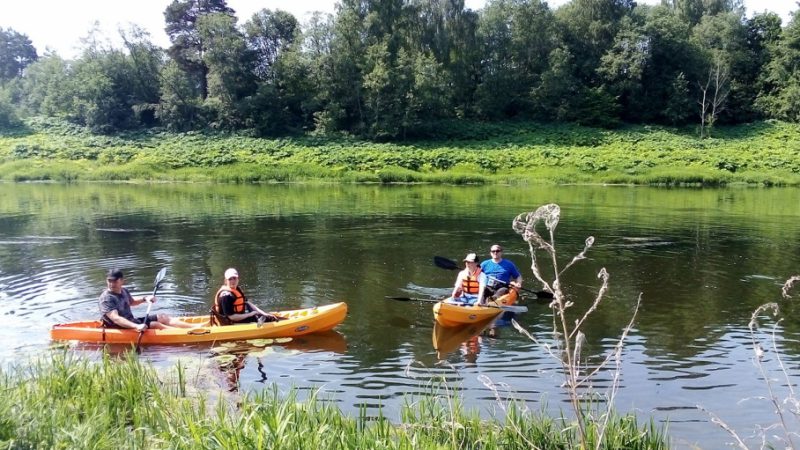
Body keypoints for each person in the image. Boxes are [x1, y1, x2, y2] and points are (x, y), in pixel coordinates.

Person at [99, 268, 195, 331]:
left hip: (131, 321)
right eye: (109, 281)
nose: (111, 284)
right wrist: (136, 326)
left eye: (114, 281)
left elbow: (132, 302)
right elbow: (116, 319)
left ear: (122, 281)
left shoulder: (123, 290)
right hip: (118, 327)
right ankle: (185, 333)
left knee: (162, 316)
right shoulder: (106, 298)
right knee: (155, 325)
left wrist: (145, 298)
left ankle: (195, 327)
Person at [212, 268, 282, 325]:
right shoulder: (226, 296)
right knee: (264, 318)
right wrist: (250, 314)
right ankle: (282, 324)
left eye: (234, 278)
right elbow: (231, 317)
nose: (233, 281)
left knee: (266, 316)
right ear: (225, 281)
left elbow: (248, 303)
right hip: (230, 322)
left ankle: (276, 319)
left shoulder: (236, 289)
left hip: (239, 316)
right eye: (230, 279)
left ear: (238, 279)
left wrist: (264, 313)